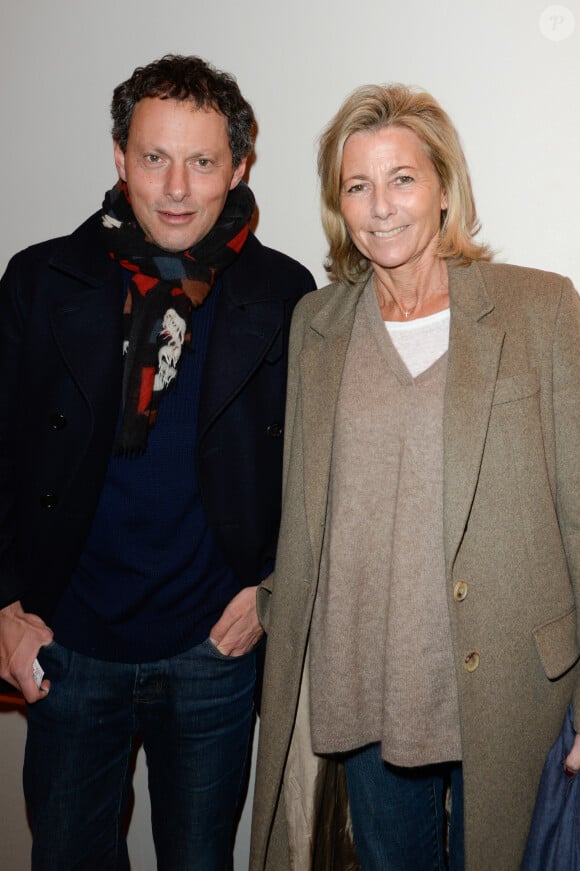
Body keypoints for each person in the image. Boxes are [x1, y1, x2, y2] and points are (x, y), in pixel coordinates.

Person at [250, 83, 580, 871]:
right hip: (363, 672)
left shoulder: (539, 308)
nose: (381, 206)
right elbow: (302, 512)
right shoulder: (317, 324)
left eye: (402, 178)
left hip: (509, 685)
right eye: (356, 185)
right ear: (338, 204)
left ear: (443, 187)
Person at [0, 54, 315, 870]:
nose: (176, 188)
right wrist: (3, 603)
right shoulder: (40, 280)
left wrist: (269, 592)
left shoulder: (285, 294)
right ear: (118, 157)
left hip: (213, 650)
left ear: (240, 165)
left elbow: (319, 470)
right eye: (153, 158)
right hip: (68, 644)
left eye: (203, 162)